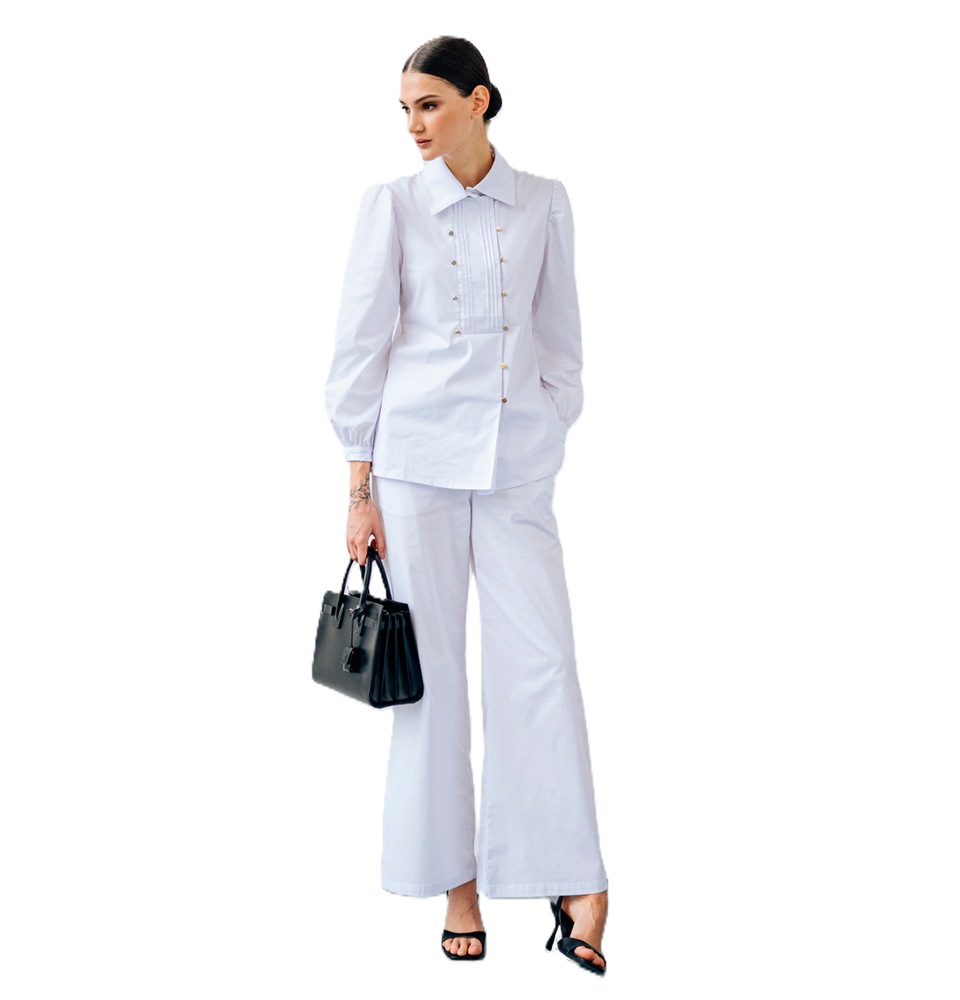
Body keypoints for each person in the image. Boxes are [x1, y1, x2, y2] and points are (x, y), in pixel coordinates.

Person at [323, 35, 608, 975]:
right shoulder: (392, 205)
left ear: (481, 101)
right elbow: (359, 352)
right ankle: (456, 883)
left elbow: (562, 336)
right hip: (416, 469)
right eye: (406, 108)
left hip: (519, 466)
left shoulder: (545, 201)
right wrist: (359, 492)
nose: (414, 123)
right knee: (433, 676)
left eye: (431, 104)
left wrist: (553, 423)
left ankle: (577, 879)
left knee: (544, 663)